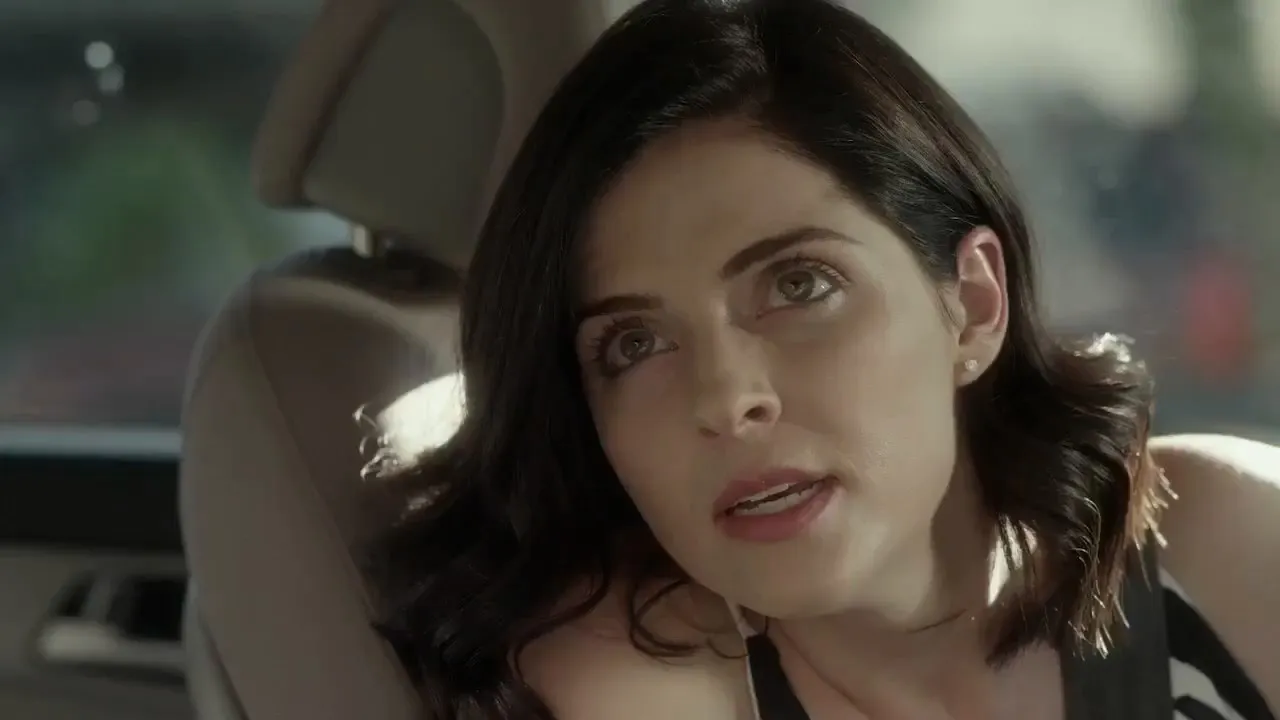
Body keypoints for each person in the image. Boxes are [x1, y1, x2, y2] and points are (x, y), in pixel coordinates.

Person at [368, 1, 1280, 718]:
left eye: (800, 285)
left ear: (972, 304)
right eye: (634, 343)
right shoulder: (633, 683)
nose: (727, 398)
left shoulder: (1228, 543)